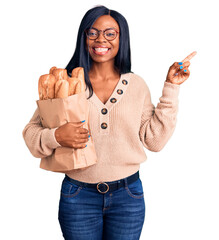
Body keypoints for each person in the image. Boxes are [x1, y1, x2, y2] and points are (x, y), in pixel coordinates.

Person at [22, 5, 196, 240]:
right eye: (92, 33)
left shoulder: (135, 85)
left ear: (121, 38)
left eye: (109, 33)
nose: (100, 39)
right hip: (78, 196)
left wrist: (171, 87)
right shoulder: (66, 83)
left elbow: (154, 141)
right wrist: (56, 136)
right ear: (84, 37)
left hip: (128, 196)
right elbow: (31, 133)